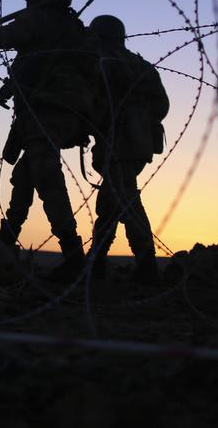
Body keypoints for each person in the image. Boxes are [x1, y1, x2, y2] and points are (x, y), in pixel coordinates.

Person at [0, 0, 96, 281]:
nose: (26, 2)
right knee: (25, 175)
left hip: (46, 109)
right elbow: (33, 61)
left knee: (46, 178)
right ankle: (5, 244)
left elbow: (2, 39)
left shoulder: (39, 18)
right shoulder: (71, 25)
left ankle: (73, 255)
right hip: (71, 112)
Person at [86, 15, 169, 286]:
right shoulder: (140, 65)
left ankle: (146, 265)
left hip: (118, 139)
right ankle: (96, 264)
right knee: (111, 203)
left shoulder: (103, 61)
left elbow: (89, 98)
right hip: (140, 141)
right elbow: (162, 107)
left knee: (126, 200)